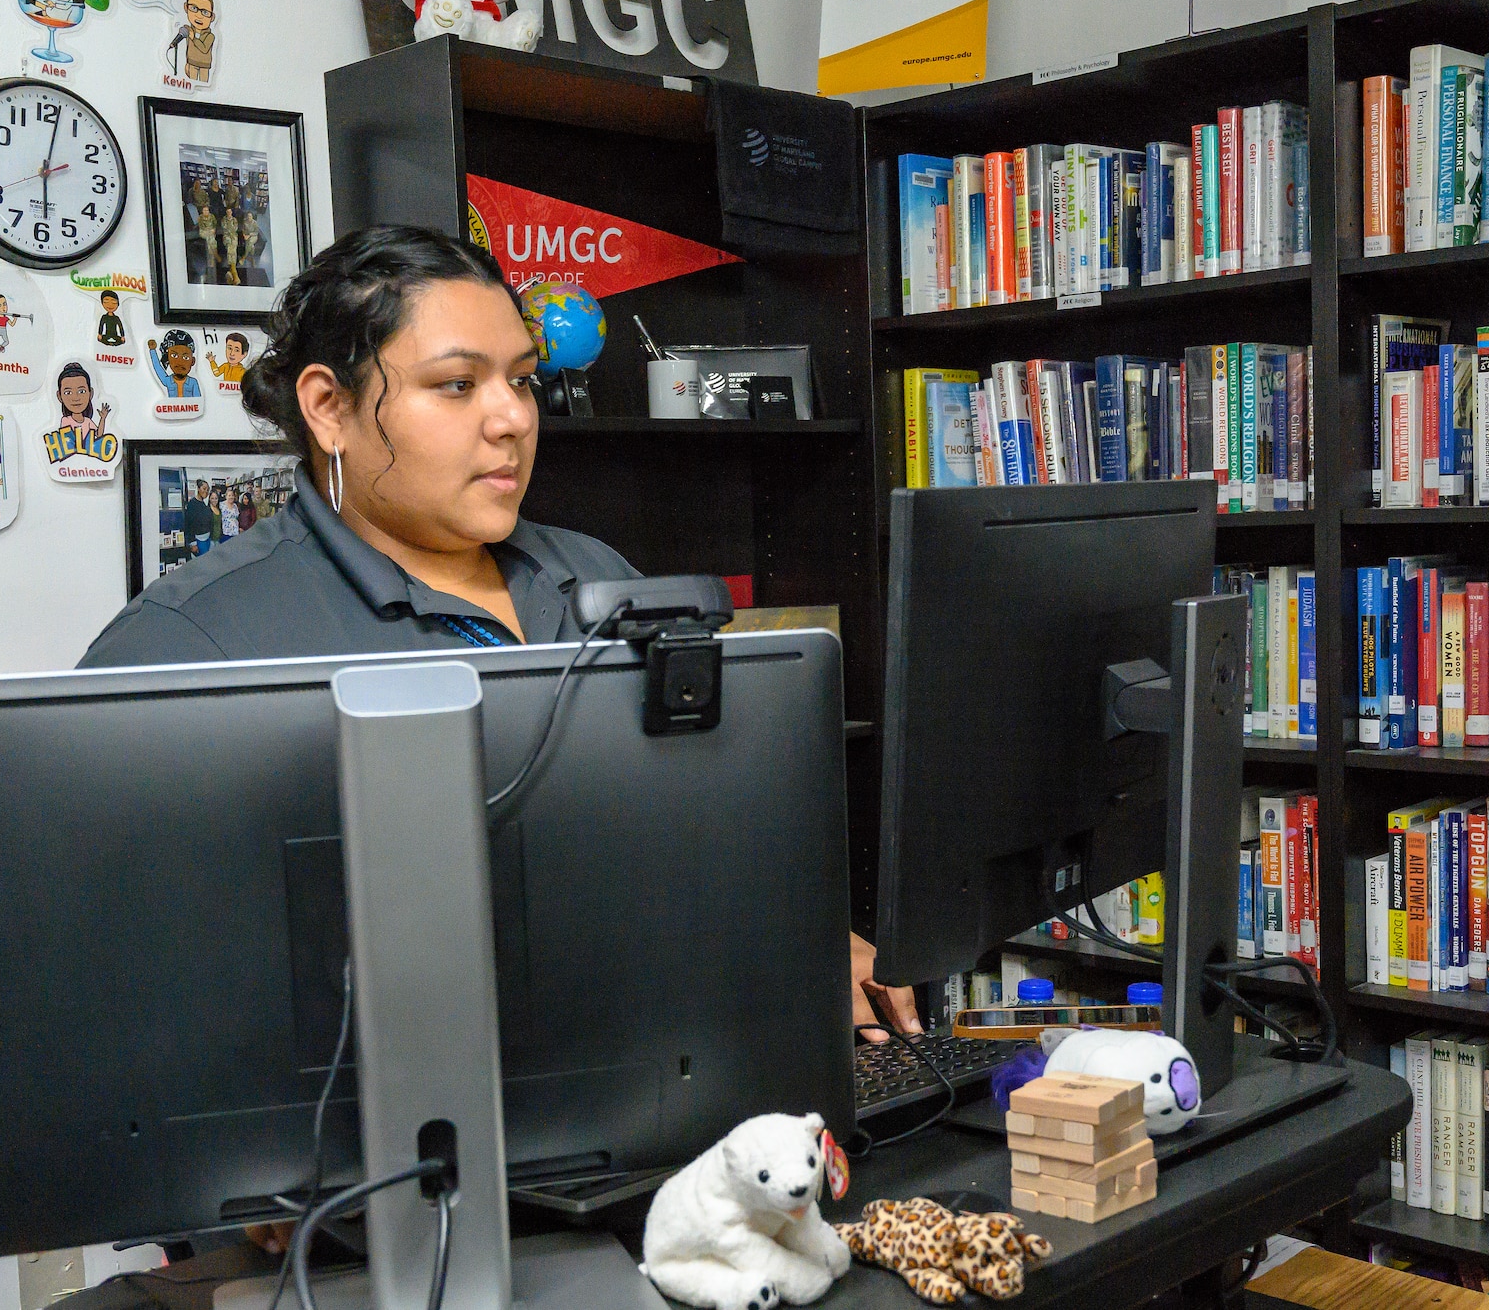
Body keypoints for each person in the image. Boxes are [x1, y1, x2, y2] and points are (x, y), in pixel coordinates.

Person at [78, 231, 918, 1212]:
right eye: (455, 386)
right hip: (372, 1201)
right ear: (327, 408)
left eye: (520, 381)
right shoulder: (191, 642)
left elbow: (688, 848)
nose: (510, 419)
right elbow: (127, 1007)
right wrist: (240, 1175)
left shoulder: (596, 577)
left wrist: (798, 948)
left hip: (640, 1145)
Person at [181, 477, 214, 555]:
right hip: (199, 541)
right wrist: (192, 543)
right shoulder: (192, 504)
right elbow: (188, 525)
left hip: (208, 539)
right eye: (204, 488)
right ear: (198, 489)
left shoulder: (205, 504)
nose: (206, 491)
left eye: (207, 489)